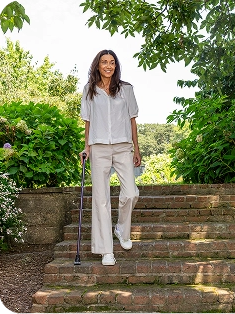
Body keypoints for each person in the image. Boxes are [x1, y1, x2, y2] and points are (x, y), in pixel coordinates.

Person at [79, 49, 141, 266]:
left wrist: (137, 148)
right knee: (101, 198)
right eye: (104, 62)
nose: (108, 65)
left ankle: (122, 230)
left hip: (123, 146)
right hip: (98, 147)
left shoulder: (126, 89)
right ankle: (106, 250)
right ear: (98, 65)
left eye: (112, 62)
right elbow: (87, 121)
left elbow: (132, 120)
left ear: (116, 66)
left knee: (131, 193)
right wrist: (86, 147)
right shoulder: (89, 90)